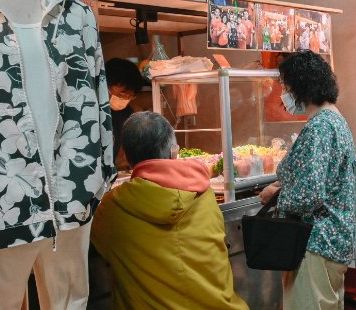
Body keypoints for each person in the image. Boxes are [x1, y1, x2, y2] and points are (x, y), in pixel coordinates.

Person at [91, 111, 248, 310]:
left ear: (128, 160)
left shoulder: (112, 208)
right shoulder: (204, 193)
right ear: (174, 152)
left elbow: (100, 245)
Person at [259, 51, 356, 310]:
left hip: (315, 244)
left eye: (287, 87)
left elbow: (309, 194)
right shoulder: (335, 119)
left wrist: (275, 195)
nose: (284, 95)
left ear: (303, 86)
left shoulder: (319, 127)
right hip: (334, 240)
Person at [106, 58, 145, 170]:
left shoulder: (129, 113)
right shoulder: (92, 112)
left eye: (130, 96)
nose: (125, 98)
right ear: (106, 84)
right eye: (122, 92)